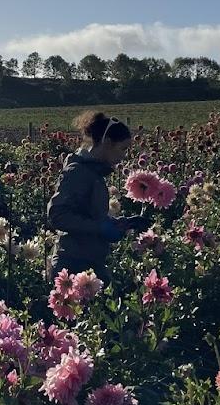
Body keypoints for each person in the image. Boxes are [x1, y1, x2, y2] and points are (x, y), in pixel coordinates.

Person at [45, 111, 148, 279]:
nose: (124, 155)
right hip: (72, 263)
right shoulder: (78, 171)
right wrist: (99, 227)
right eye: (122, 148)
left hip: (90, 260)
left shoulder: (94, 173)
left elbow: (86, 213)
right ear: (107, 143)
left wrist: (118, 224)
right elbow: (57, 215)